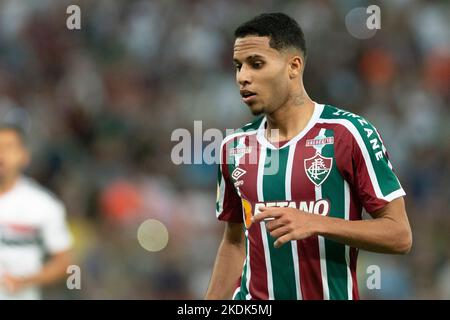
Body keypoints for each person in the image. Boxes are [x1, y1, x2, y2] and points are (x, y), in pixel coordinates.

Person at [205, 13, 412, 300]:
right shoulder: (235, 147)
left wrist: (316, 223)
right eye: (238, 66)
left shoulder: (348, 133)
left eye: (256, 64)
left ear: (293, 66)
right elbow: (234, 242)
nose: (243, 77)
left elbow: (400, 235)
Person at [0, 124, 73, 299]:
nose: (0, 154)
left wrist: (25, 280)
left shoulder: (44, 205)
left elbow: (66, 264)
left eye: (8, 147)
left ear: (24, 156)